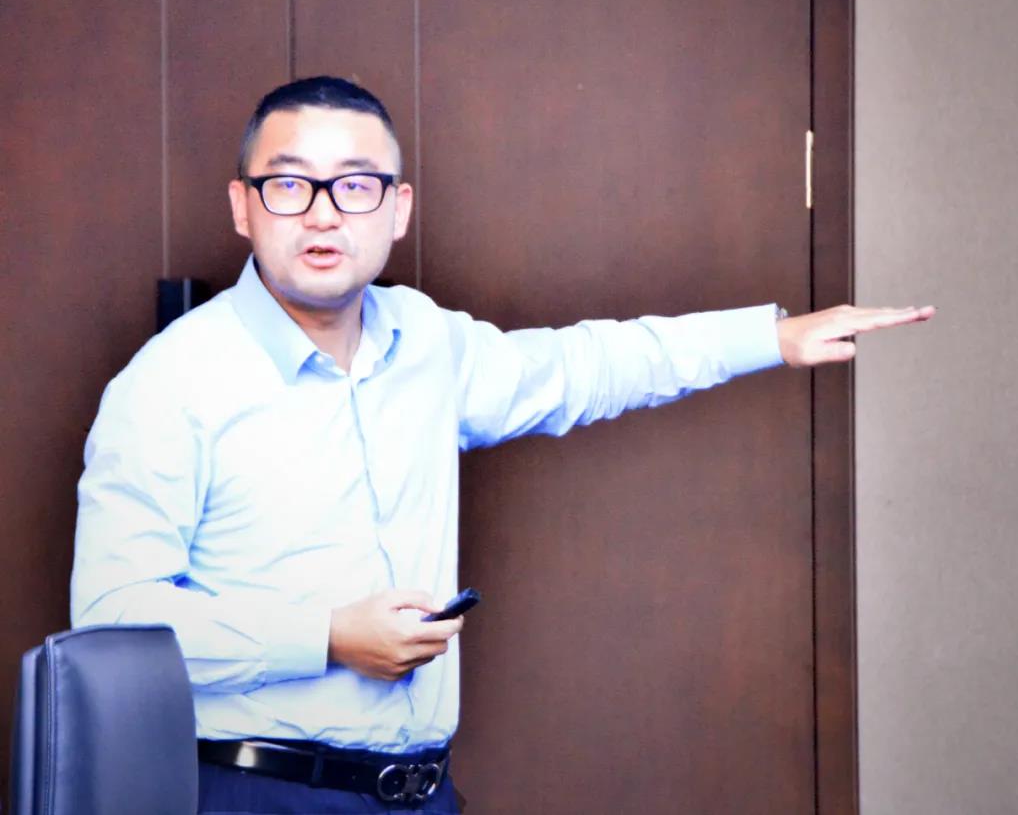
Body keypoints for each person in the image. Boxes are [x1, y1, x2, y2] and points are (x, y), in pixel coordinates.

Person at [70, 76, 933, 814]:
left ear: (399, 209)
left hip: (422, 792)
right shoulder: (170, 383)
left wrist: (770, 338)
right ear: (242, 205)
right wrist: (327, 636)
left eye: (357, 185)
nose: (324, 213)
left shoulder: (426, 340)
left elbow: (582, 366)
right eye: (289, 184)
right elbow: (113, 618)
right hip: (253, 793)